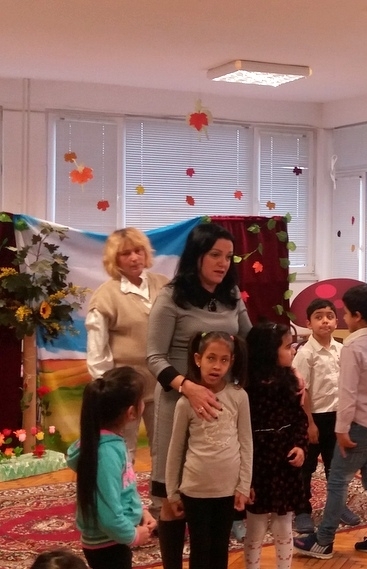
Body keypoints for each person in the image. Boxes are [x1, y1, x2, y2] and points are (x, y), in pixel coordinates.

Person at [147, 223, 252, 569]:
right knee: (172, 498)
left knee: (214, 494)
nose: (223, 263)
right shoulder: (171, 297)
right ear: (197, 256)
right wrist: (188, 387)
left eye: (229, 256)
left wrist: (286, 364)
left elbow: (250, 341)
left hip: (222, 406)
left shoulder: (231, 295)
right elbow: (154, 357)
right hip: (178, 403)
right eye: (215, 255)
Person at [294, 284, 367, 559]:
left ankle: (323, 540)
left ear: (357, 316)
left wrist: (341, 429)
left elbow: (348, 391)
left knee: (337, 479)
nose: (344, 319)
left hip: (358, 425)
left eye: (346, 313)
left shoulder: (351, 346)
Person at [165, 331, 252, 569]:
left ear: (231, 362)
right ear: (198, 359)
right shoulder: (185, 403)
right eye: (211, 358)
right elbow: (176, 449)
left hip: (227, 489)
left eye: (224, 360)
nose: (216, 366)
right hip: (195, 490)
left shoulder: (239, 397)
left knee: (220, 549)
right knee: (200, 550)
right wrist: (172, 492)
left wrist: (244, 485)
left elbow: (246, 443)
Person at [86, 228, 169, 470]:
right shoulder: (106, 296)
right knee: (123, 452)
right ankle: (123, 495)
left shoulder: (164, 286)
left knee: (164, 450)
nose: (134, 258)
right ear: (115, 259)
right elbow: (96, 351)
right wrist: (109, 391)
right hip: (124, 390)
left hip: (162, 384)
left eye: (138, 250)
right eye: (125, 253)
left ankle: (160, 496)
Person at [66, 367, 155, 569]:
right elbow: (108, 514)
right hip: (108, 545)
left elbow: (122, 490)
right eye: (141, 399)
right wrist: (133, 536)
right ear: (131, 412)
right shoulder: (106, 453)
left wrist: (141, 512)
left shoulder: (107, 443)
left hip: (113, 540)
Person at [242, 321, 308, 569]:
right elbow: (241, 433)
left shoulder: (290, 382)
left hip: (284, 462)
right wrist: (245, 479)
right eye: (288, 346)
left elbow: (299, 419)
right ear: (269, 351)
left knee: (284, 526)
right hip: (258, 463)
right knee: (256, 527)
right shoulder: (247, 387)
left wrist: (300, 446)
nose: (293, 351)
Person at [292, 298, 360, 534]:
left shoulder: (342, 350)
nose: (325, 321)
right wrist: (309, 423)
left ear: (336, 320)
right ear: (308, 323)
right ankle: (302, 510)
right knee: (307, 466)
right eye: (319, 317)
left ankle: (338, 506)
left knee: (337, 465)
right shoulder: (305, 354)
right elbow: (303, 391)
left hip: (337, 418)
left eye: (330, 316)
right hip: (312, 418)